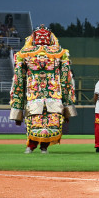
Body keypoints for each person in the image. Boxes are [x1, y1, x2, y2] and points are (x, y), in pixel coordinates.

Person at [10, 26, 77, 154]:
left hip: (33, 94)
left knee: (34, 120)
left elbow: (18, 79)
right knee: (51, 121)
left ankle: (31, 146)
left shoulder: (24, 53)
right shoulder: (61, 52)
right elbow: (66, 80)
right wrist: (68, 105)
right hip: (54, 94)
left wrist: (17, 107)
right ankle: (44, 147)